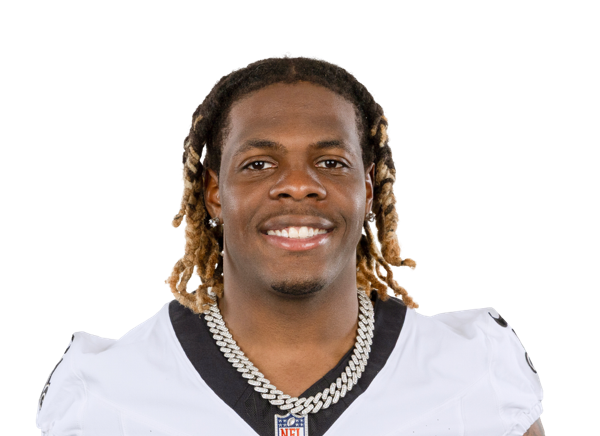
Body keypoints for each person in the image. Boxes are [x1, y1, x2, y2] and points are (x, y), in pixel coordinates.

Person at [36, 55, 544, 435]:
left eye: (331, 162)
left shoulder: (474, 371)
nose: (299, 185)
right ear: (214, 193)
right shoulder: (105, 390)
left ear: (368, 191)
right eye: (258, 164)